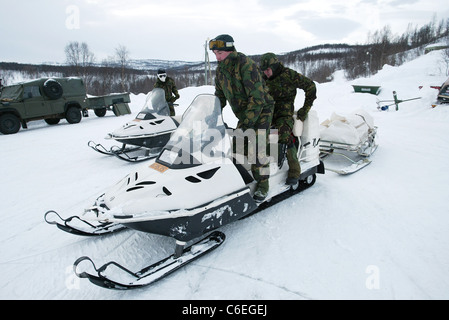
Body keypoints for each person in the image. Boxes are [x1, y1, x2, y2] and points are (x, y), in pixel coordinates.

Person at [209, 34, 274, 202]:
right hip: (245, 112)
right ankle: (242, 176)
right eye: (215, 54)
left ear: (229, 50)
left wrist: (246, 123)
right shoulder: (221, 70)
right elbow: (219, 95)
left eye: (220, 53)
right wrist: (214, 112)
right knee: (238, 144)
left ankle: (263, 184)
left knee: (258, 146)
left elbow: (257, 98)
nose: (217, 57)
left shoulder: (246, 66)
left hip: (262, 109)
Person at [259, 52, 317, 185]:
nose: (266, 73)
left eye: (268, 70)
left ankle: (294, 171)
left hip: (284, 115)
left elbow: (310, 86)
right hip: (267, 113)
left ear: (274, 66)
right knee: (253, 134)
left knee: (285, 135)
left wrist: (305, 109)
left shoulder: (289, 75)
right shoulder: (263, 78)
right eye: (264, 70)